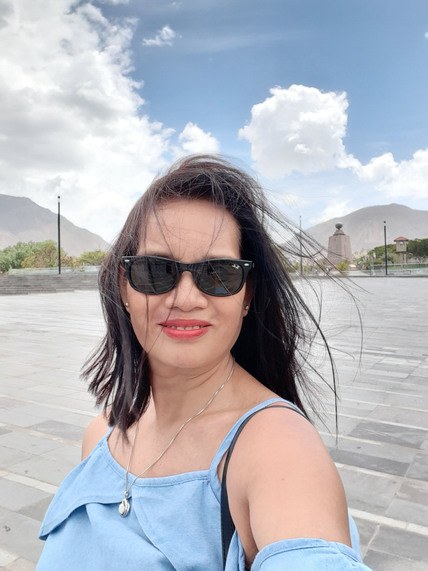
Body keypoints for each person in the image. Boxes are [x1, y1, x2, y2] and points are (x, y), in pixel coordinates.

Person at [37, 155, 371, 570]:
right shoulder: (101, 435)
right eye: (156, 270)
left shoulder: (276, 447)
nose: (186, 298)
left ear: (246, 294)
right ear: (124, 287)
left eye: (219, 273)